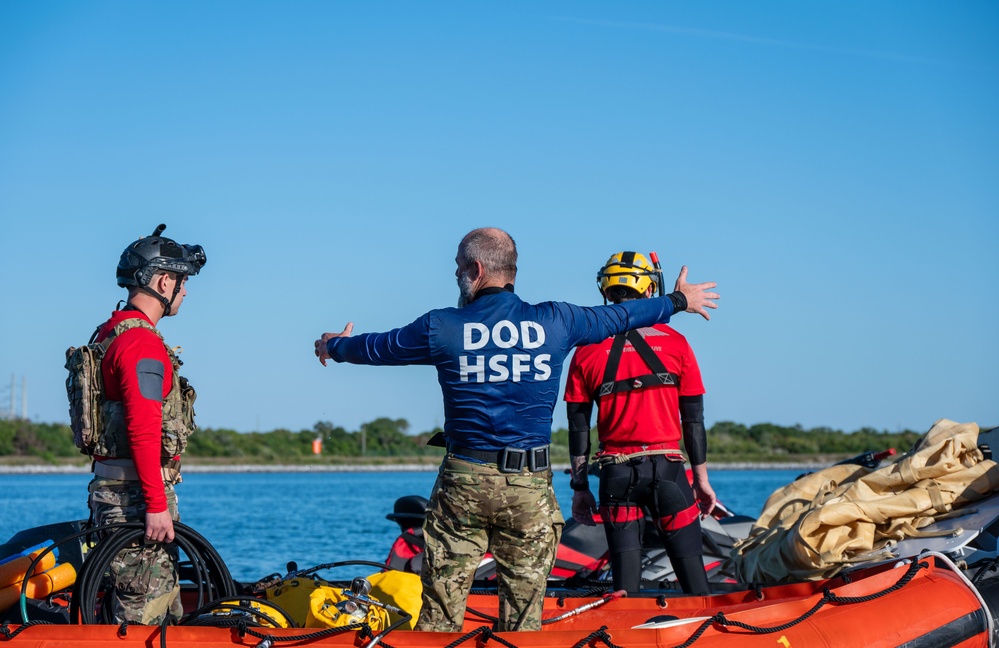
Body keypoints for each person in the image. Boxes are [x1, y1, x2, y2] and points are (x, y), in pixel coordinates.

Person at [314, 228, 718, 631]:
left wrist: (334, 346)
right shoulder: (558, 321)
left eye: (457, 267)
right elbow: (624, 314)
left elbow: (377, 347)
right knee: (525, 620)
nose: (456, 275)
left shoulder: (442, 327)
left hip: (463, 485)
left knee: (439, 614)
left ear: (475, 269)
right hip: (529, 488)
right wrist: (679, 301)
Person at [563, 251, 716, 595]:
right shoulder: (677, 344)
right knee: (697, 588)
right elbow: (693, 421)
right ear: (650, 291)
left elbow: (578, 428)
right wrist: (702, 481)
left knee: (625, 591)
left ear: (607, 291)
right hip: (669, 474)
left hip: (615, 477)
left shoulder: (585, 350)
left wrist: (580, 488)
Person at [86, 225, 206, 625]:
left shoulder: (111, 332)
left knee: (161, 610)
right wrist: (156, 505)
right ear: (164, 281)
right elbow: (142, 428)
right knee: (139, 619)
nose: (185, 292)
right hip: (136, 498)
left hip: (116, 491)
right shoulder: (141, 343)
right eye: (183, 281)